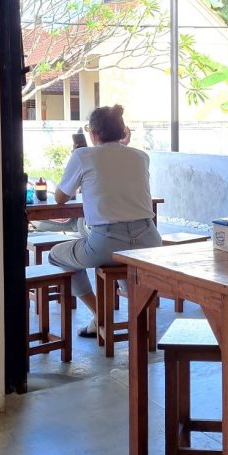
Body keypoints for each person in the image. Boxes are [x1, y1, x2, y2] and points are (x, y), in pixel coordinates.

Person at [48, 105, 161, 336]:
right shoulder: (141, 157)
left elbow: (60, 198)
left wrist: (76, 158)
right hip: (150, 241)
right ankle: (140, 318)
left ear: (93, 134)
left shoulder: (83, 156)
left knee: (56, 254)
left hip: (107, 243)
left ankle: (99, 312)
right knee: (128, 262)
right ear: (123, 132)